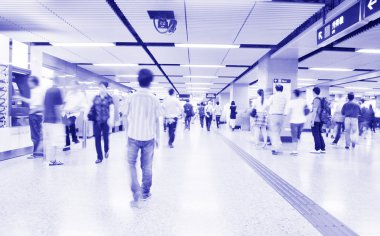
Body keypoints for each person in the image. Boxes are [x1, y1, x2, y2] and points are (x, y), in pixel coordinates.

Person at [123, 69, 160, 208]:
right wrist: (158, 137)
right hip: (149, 137)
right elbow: (157, 120)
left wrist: (126, 133)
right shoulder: (154, 99)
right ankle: (145, 192)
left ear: (138, 80)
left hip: (133, 136)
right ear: (150, 82)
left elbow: (124, 116)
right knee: (147, 166)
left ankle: (136, 190)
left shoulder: (131, 97)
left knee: (131, 164)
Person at [16, 76, 45, 159]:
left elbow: (38, 104)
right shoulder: (36, 90)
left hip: (35, 114)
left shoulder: (37, 91)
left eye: (29, 82)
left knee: (35, 134)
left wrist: (33, 111)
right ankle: (39, 152)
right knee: (37, 134)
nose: (28, 83)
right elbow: (32, 101)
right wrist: (21, 98)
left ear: (34, 82)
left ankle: (37, 154)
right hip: (37, 114)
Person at [88, 81, 114, 164]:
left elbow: (112, 109)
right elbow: (91, 107)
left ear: (106, 88)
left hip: (106, 121)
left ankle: (106, 150)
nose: (101, 89)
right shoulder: (96, 97)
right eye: (100, 87)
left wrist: (111, 120)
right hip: (96, 121)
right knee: (97, 139)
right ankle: (99, 157)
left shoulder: (109, 98)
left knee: (106, 138)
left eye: (103, 87)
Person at [43, 77, 65, 166]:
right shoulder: (57, 91)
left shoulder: (48, 91)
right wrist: (59, 119)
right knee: (55, 140)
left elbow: (44, 105)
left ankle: (51, 159)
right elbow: (57, 107)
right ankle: (53, 160)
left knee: (50, 140)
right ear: (58, 81)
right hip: (54, 119)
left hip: (46, 119)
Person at [62, 83, 87, 151]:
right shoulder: (69, 93)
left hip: (74, 113)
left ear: (77, 86)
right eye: (72, 86)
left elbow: (82, 106)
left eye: (74, 86)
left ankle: (74, 138)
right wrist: (63, 109)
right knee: (65, 128)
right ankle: (67, 145)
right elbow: (65, 102)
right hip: (66, 112)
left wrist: (74, 109)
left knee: (71, 123)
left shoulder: (81, 95)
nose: (73, 87)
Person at [285, 89, 307, 155]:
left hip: (294, 121)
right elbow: (309, 108)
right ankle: (297, 144)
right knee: (298, 135)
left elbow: (286, 112)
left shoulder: (291, 102)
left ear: (294, 94)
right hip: (302, 121)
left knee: (294, 136)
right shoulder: (304, 101)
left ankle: (294, 150)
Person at [267, 85, 287, 155]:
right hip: (281, 116)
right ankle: (279, 146)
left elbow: (268, 104)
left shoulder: (273, 96)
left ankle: (275, 149)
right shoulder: (285, 97)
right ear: (282, 89)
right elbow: (286, 106)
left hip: (274, 115)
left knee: (274, 132)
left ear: (276, 89)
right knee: (278, 132)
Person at [310, 87, 326, 154]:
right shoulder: (321, 99)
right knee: (319, 134)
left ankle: (317, 149)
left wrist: (312, 121)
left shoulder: (316, 99)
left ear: (314, 92)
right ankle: (322, 148)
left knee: (315, 134)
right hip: (320, 120)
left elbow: (314, 111)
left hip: (316, 119)